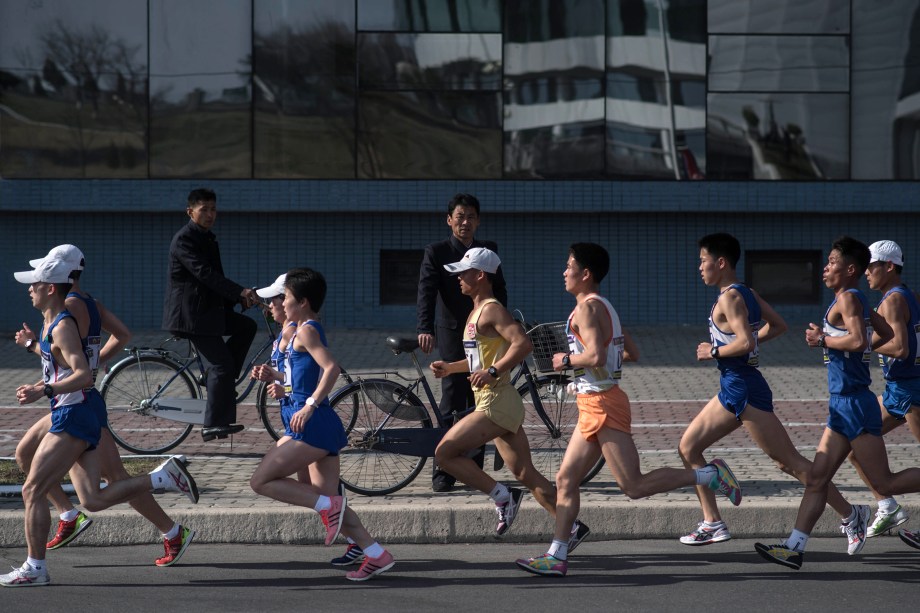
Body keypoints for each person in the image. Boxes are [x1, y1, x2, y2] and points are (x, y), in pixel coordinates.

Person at [515, 243, 742, 577]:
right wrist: (584, 373)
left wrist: (567, 361)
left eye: (569, 267)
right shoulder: (603, 306)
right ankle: (557, 555)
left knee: (633, 486)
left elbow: (592, 356)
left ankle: (708, 474)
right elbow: (629, 352)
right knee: (565, 479)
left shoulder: (587, 310)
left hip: (604, 406)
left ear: (586, 273)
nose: (564, 273)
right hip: (594, 403)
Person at [2, 253, 199, 588]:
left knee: (33, 488)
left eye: (35, 283)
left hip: (75, 409)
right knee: (87, 491)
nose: (29, 289)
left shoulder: (69, 313)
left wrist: (47, 386)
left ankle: (38, 564)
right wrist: (39, 356)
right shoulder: (76, 309)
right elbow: (83, 354)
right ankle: (160, 494)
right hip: (76, 405)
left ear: (52, 286)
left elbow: (79, 371)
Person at [678, 233, 866, 554]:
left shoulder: (731, 298)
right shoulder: (745, 293)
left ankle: (851, 514)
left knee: (789, 463)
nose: (700, 267)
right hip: (734, 386)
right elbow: (777, 326)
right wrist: (741, 348)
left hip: (745, 389)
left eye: (703, 260)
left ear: (720, 263)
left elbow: (746, 342)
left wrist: (715, 351)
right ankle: (712, 522)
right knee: (688, 447)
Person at [755, 236, 920, 570]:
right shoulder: (852, 300)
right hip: (841, 405)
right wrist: (859, 327)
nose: (825, 268)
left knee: (884, 482)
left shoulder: (849, 298)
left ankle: (871, 512)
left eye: (831, 262)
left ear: (850, 269)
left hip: (855, 404)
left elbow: (860, 341)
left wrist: (823, 341)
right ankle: (794, 547)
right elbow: (888, 336)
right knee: (817, 478)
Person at [431, 248, 588, 545]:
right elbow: (481, 358)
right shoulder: (476, 312)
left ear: (480, 275)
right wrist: (451, 368)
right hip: (498, 401)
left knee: (445, 453)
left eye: (464, 273)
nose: (458, 279)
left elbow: (522, 344)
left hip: (496, 401)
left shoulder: (491, 309)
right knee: (525, 472)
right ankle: (571, 527)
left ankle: (502, 497)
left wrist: (493, 371)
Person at [249, 268, 395, 581]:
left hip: (313, 426)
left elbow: (332, 369)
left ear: (302, 302)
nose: (281, 304)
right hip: (310, 425)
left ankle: (329, 506)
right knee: (331, 505)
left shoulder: (306, 331)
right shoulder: (299, 330)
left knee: (261, 481)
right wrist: (277, 379)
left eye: (285, 298)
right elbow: (300, 378)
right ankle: (374, 554)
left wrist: (311, 404)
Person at [417, 193, 507, 492]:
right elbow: (426, 291)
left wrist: (504, 325)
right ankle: (443, 470)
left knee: (481, 397)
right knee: (454, 395)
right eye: (460, 217)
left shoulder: (488, 250)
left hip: (486, 330)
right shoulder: (437, 251)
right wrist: (424, 328)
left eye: (471, 217)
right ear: (449, 220)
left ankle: (472, 468)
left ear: (478, 220)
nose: (465, 222)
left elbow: (500, 289)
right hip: (452, 330)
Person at [162, 188, 259, 442]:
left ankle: (220, 383)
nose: (209, 214)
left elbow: (217, 280)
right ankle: (213, 424)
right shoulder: (185, 240)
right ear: (190, 211)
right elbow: (204, 275)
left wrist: (240, 297)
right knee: (221, 364)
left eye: (213, 209)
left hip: (209, 313)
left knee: (246, 327)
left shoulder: (207, 238)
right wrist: (239, 292)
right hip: (192, 317)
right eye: (203, 209)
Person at [853, 240, 920, 549]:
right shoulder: (904, 295)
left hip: (912, 390)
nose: (867, 273)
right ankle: (887, 506)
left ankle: (887, 498)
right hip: (897, 389)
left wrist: (860, 344)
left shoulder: (893, 300)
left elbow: (901, 348)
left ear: (889, 267)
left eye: (871, 266)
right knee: (855, 444)